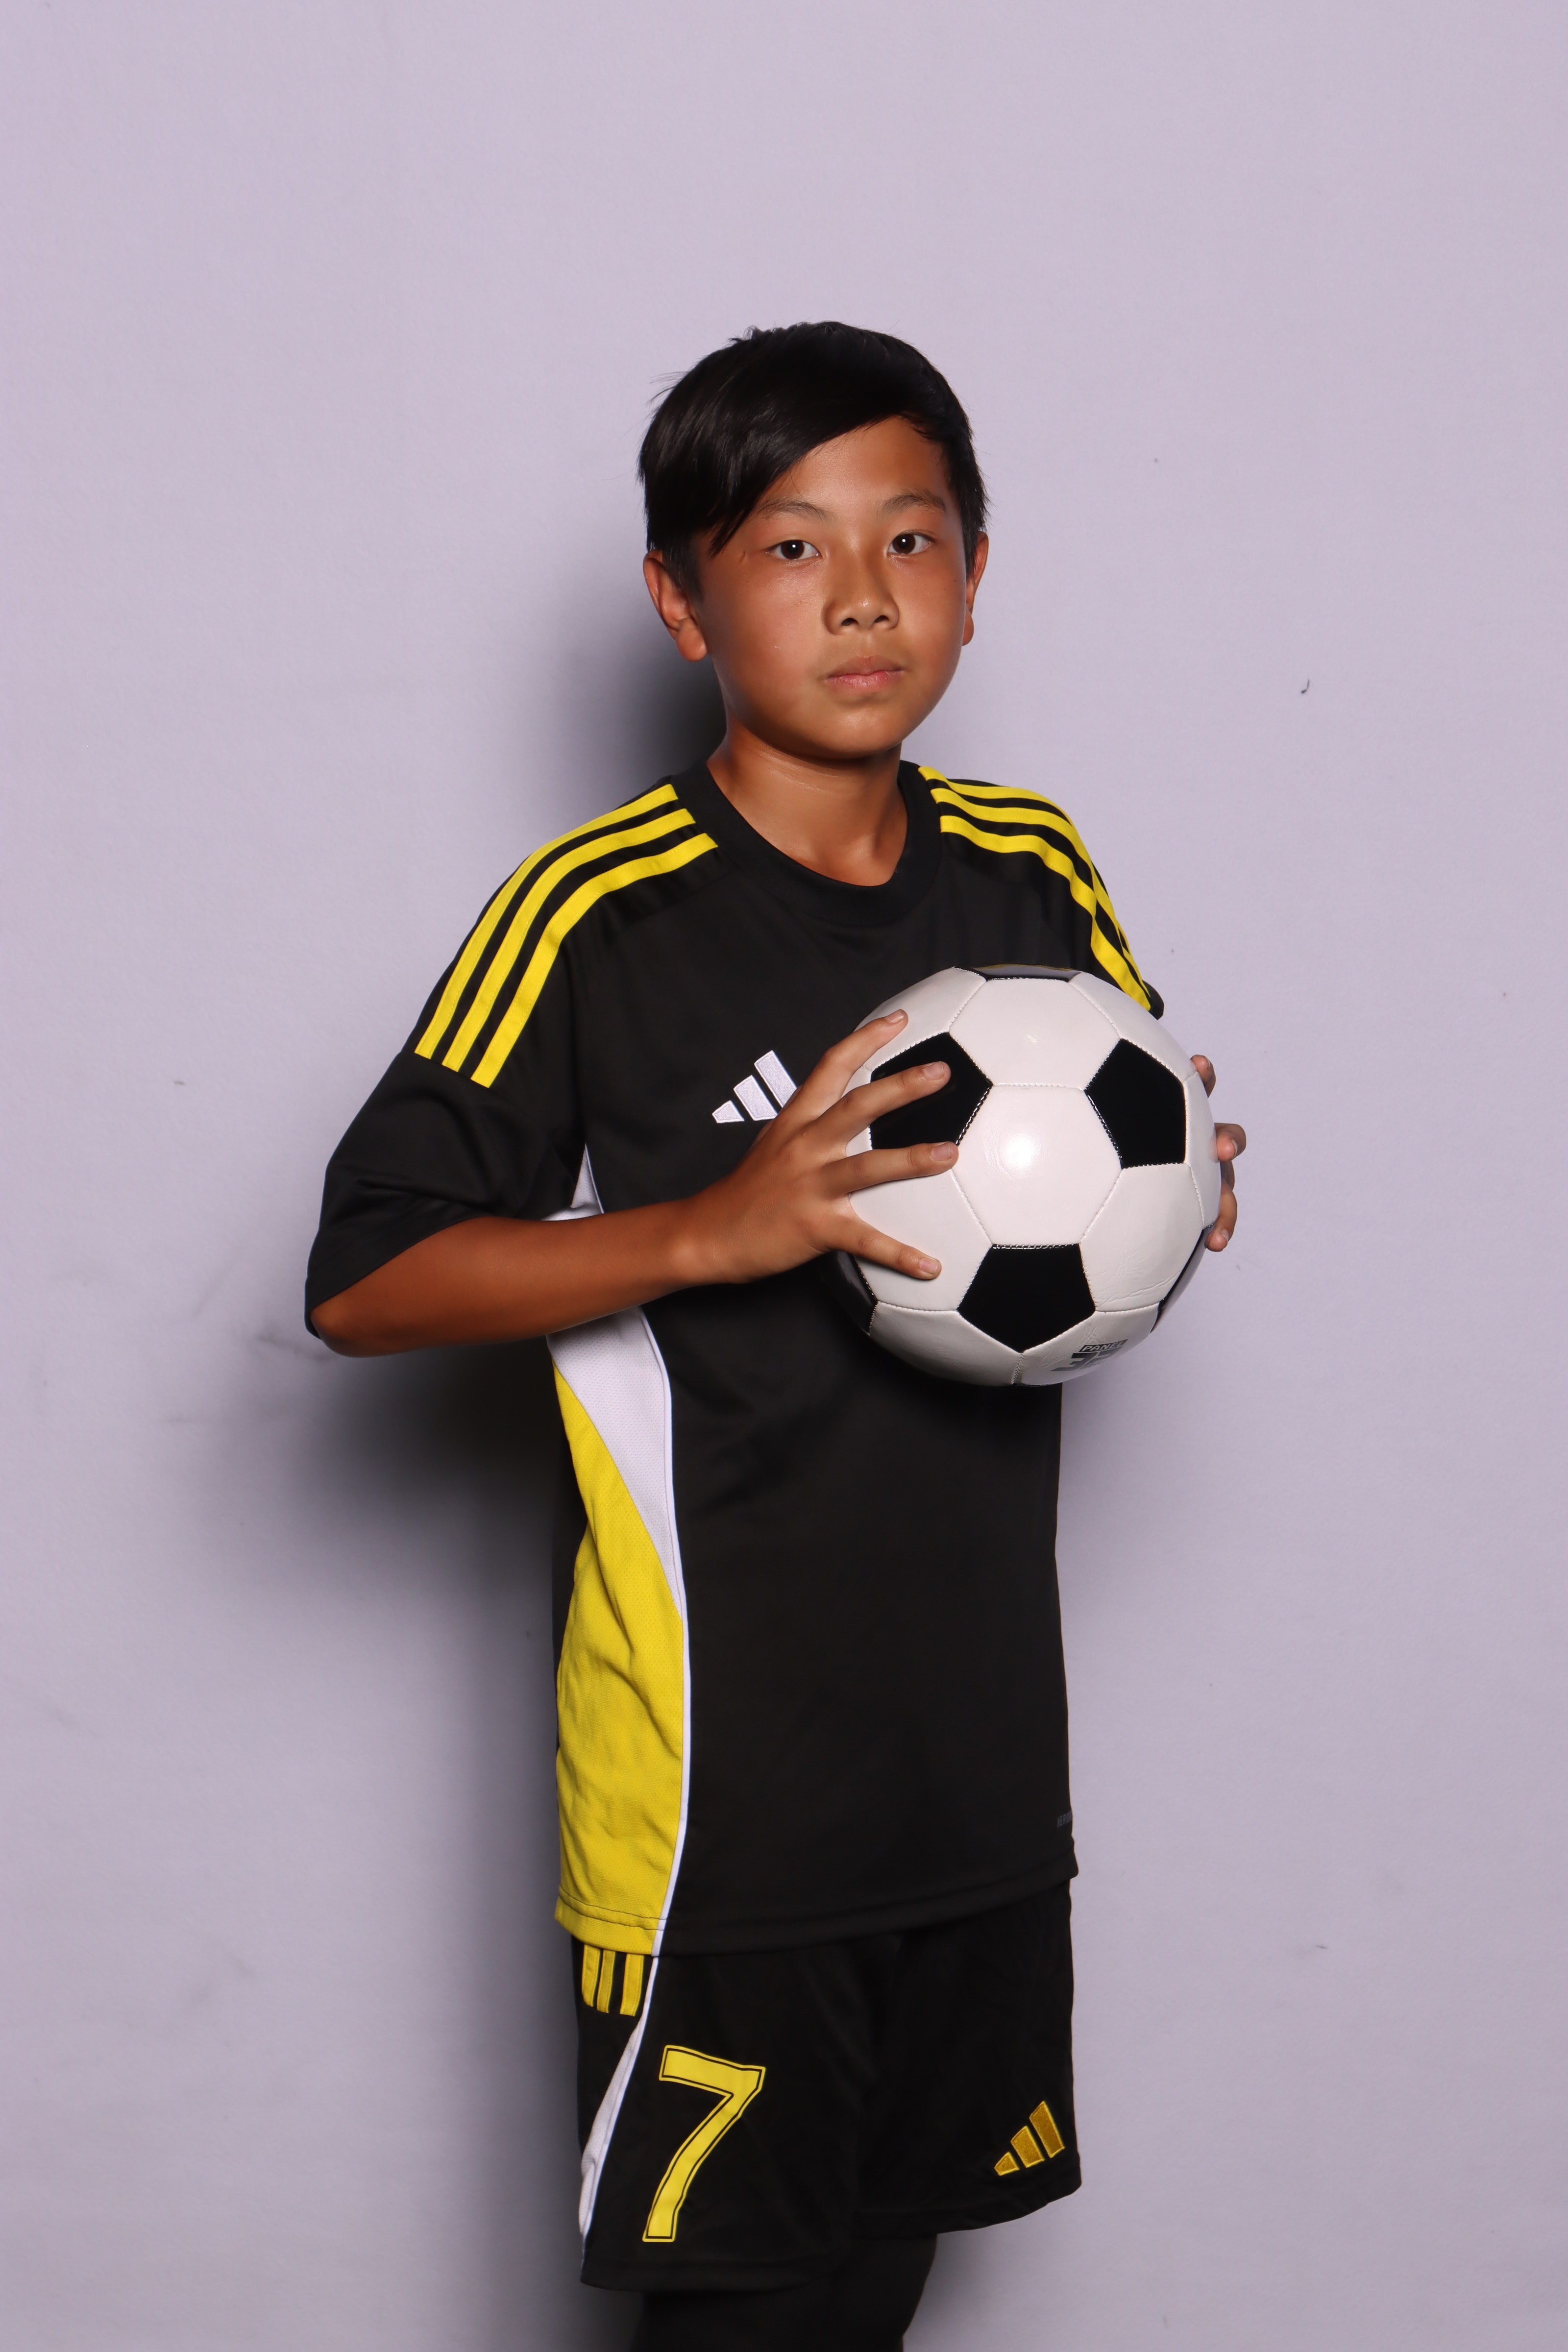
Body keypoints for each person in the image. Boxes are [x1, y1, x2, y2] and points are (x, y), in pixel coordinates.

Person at [306, 322, 1245, 2352]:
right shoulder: (598, 914)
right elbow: (367, 1280)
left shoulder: (1031, 869)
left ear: (976, 575)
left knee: (876, 2299)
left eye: (911, 539)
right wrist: (712, 1232)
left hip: (977, 1787)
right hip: (720, 1815)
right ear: (682, 603)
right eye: (792, 547)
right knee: (740, 2328)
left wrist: (1176, 1194)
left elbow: (1122, 1149)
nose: (863, 596)